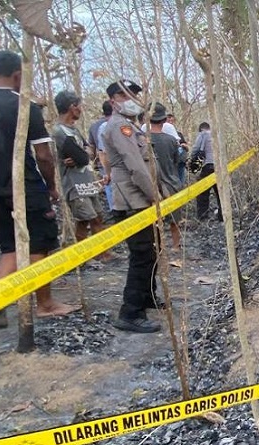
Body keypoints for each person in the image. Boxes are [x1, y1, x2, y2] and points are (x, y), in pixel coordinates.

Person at [0, 50, 78, 327]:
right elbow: (43, 155)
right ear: (18, 75)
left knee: (8, 248)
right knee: (39, 245)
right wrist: (51, 187)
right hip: (25, 188)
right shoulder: (25, 106)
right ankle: (45, 304)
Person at [102, 79, 162, 333]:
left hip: (140, 200)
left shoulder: (130, 126)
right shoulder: (119, 127)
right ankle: (130, 312)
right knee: (142, 256)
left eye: (136, 94)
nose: (133, 99)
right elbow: (135, 166)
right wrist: (155, 195)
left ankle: (147, 297)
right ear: (114, 99)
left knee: (152, 251)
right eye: (127, 95)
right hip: (132, 201)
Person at [52, 91, 112, 260]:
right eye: (79, 105)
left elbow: (89, 151)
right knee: (87, 218)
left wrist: (83, 154)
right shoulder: (59, 132)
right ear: (72, 107)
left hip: (87, 181)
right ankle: (82, 256)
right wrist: (82, 155)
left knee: (96, 217)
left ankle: (100, 253)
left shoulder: (74, 130)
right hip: (74, 184)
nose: (81, 109)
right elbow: (83, 157)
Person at [150, 103, 184, 249]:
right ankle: (176, 246)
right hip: (172, 183)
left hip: (151, 186)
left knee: (155, 220)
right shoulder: (171, 141)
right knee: (175, 219)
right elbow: (178, 161)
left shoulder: (142, 141)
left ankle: (159, 247)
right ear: (164, 120)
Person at [190, 122, 222, 221]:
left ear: (201, 129)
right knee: (220, 192)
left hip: (208, 165)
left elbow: (195, 149)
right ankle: (222, 215)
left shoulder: (203, 134)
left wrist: (192, 159)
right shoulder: (218, 135)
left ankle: (203, 216)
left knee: (202, 191)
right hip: (220, 166)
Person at [88, 101, 113, 210]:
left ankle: (114, 209)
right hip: (112, 162)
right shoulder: (115, 124)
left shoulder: (94, 126)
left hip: (101, 162)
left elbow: (91, 146)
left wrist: (94, 161)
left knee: (109, 187)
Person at [166, 113, 189, 187]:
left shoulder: (179, 134)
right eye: (168, 120)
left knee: (180, 181)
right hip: (169, 161)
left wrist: (183, 145)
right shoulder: (163, 134)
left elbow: (187, 147)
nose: (170, 122)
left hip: (180, 161)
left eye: (172, 121)